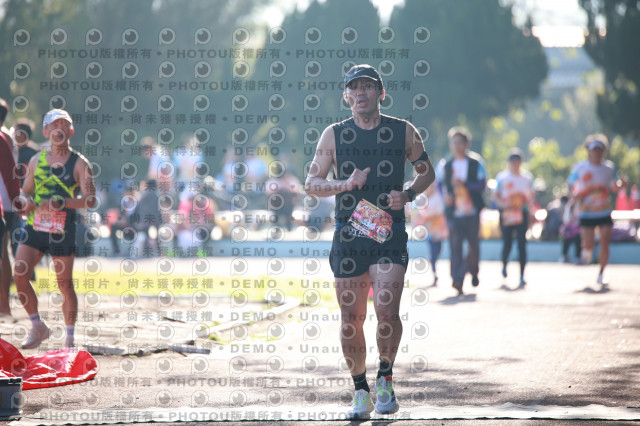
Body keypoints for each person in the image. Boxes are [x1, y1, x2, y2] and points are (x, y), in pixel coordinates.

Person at [304, 64, 435, 419]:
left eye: (368, 86)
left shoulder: (403, 131)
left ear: (381, 92)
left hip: (388, 232)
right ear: (346, 96)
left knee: (387, 311)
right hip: (349, 235)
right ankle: (360, 389)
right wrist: (345, 184)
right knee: (351, 318)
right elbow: (312, 184)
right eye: (354, 87)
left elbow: (427, 172)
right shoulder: (333, 135)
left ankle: (385, 378)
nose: (361, 92)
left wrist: (407, 195)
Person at [13, 109, 96, 349]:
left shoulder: (79, 163)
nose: (59, 128)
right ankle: (37, 326)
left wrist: (62, 202)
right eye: (54, 124)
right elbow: (25, 191)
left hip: (62, 230)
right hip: (36, 226)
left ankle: (69, 339)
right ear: (45, 131)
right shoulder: (36, 160)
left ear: (71, 131)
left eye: (64, 124)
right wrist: (24, 202)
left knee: (65, 285)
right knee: (20, 275)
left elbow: (90, 200)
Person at [568, 134, 626, 286]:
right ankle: (586, 251)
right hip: (586, 211)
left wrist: (622, 185)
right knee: (588, 244)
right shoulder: (580, 167)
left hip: (604, 210)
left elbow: (614, 186)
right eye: (594, 150)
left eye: (599, 150)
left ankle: (601, 273)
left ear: (603, 151)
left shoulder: (608, 168)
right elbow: (571, 184)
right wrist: (575, 195)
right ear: (589, 151)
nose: (597, 153)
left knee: (605, 242)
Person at [437, 126, 487, 295]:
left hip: (472, 212)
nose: (457, 146)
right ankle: (457, 279)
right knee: (455, 246)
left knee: (473, 246)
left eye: (460, 143)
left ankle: (473, 270)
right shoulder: (446, 164)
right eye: (454, 143)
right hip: (454, 213)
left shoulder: (476, 163)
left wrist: (465, 184)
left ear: (467, 144)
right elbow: (439, 184)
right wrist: (445, 196)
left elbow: (482, 185)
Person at [492, 148, 535, 287]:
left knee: (522, 244)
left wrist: (531, 212)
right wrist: (503, 205)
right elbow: (495, 196)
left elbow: (531, 197)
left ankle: (522, 274)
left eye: (517, 162)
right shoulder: (502, 177)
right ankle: (504, 265)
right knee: (507, 243)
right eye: (513, 162)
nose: (515, 164)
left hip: (521, 214)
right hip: (507, 214)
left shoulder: (527, 178)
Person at [0, 122, 20, 321]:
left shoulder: (2, 138)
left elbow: (10, 174)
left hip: (6, 206)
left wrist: (17, 201)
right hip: (7, 205)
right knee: (4, 254)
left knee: (4, 254)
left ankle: (4, 306)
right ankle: (4, 306)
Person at [412, 183, 448, 286]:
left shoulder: (437, 198)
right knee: (433, 250)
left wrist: (429, 216)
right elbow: (420, 213)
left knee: (438, 249)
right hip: (429, 229)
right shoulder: (424, 199)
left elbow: (440, 213)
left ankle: (433, 262)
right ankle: (434, 272)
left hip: (437, 228)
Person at [559, 195, 581, 263]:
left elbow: (578, 217)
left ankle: (577, 257)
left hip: (577, 230)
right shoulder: (568, 207)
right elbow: (565, 219)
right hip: (569, 229)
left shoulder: (579, 206)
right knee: (566, 241)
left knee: (578, 242)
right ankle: (564, 255)